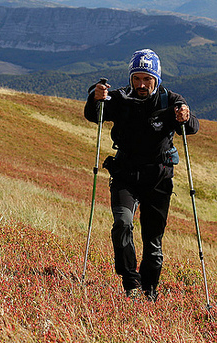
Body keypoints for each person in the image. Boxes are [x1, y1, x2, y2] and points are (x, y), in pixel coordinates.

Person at [83, 48, 199, 301]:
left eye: (147, 79)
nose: (141, 84)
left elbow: (191, 128)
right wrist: (95, 97)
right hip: (125, 173)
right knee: (122, 224)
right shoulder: (120, 98)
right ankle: (130, 283)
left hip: (158, 178)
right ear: (131, 78)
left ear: (156, 79)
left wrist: (186, 116)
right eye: (137, 78)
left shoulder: (171, 100)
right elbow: (94, 115)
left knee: (153, 240)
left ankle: (150, 290)